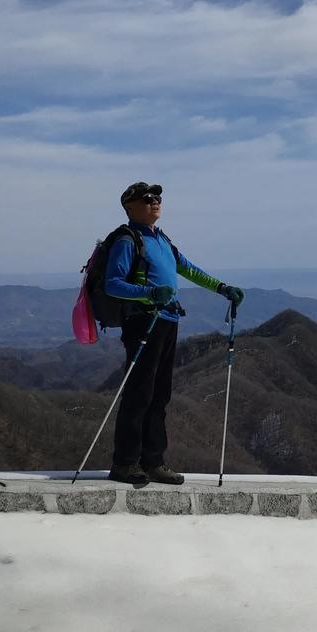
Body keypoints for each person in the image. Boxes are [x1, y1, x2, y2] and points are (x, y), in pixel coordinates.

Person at [104, 181, 244, 486]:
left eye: (157, 197)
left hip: (166, 320)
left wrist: (222, 288)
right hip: (143, 321)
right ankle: (125, 464)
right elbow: (112, 283)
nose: (155, 202)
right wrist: (150, 293)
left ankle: (153, 462)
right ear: (130, 207)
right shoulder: (128, 241)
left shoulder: (161, 239)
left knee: (159, 395)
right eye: (147, 198)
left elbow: (188, 268)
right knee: (139, 394)